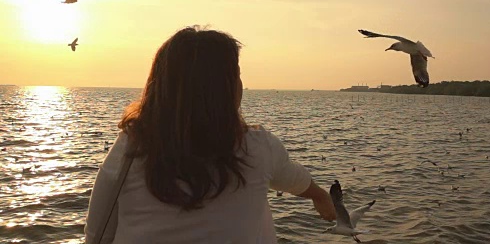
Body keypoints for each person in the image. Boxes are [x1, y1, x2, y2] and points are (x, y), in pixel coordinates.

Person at [85, 26, 336, 243]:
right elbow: (293, 178)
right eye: (236, 75)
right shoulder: (258, 147)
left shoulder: (132, 146)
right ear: (226, 89)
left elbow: (98, 233)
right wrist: (320, 196)